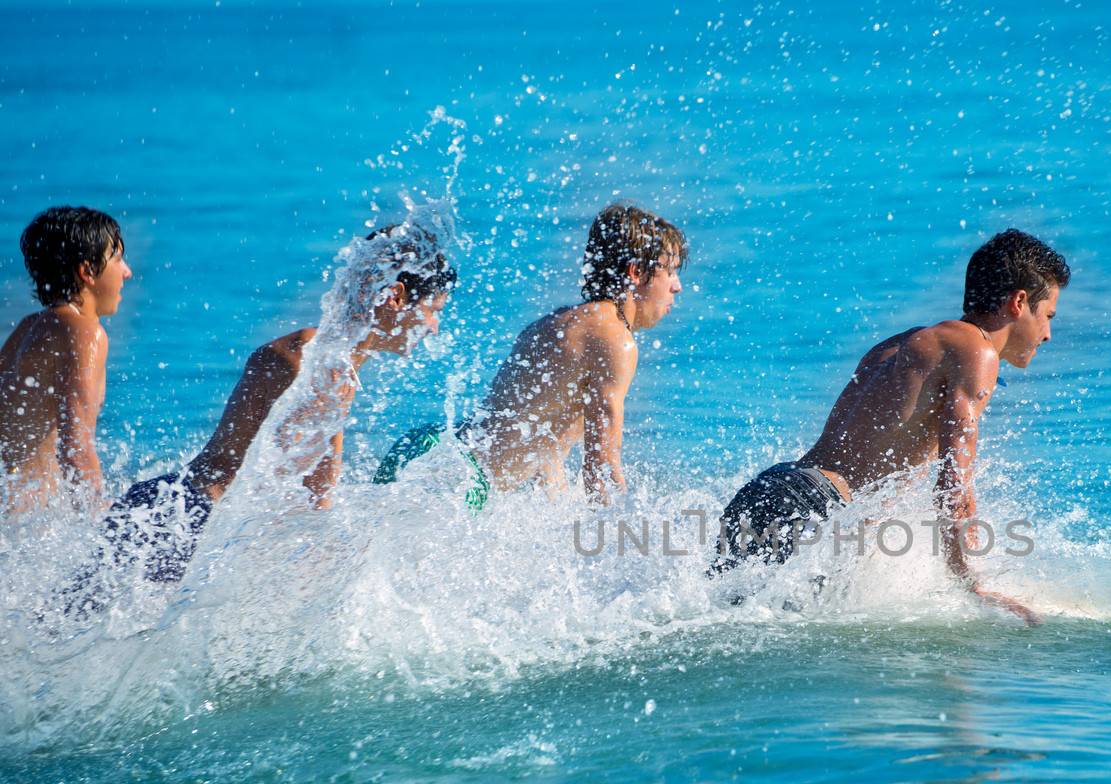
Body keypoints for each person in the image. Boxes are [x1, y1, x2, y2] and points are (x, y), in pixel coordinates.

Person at [709, 228, 1068, 625]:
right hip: (813, 509)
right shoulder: (977, 352)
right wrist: (970, 584)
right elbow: (954, 486)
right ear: (1019, 302)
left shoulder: (906, 342)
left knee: (709, 618)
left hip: (775, 487)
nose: (1048, 334)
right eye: (1048, 316)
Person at [96, 226, 454, 586]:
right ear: (395, 296)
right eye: (432, 310)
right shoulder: (310, 359)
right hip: (179, 519)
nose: (434, 328)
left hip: (182, 514)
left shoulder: (335, 364)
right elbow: (294, 487)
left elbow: (313, 492)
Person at [375, 202, 685, 506]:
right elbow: (601, 467)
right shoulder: (616, 339)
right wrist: (625, 536)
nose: (677, 286)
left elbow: (544, 450)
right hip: (458, 481)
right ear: (636, 272)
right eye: (670, 271)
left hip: (428, 448)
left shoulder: (560, 322)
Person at [1, 206, 132, 513]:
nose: (127, 271)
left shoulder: (27, 328)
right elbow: (76, 444)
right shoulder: (86, 334)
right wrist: (97, 519)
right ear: (87, 272)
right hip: (29, 524)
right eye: (117, 259)